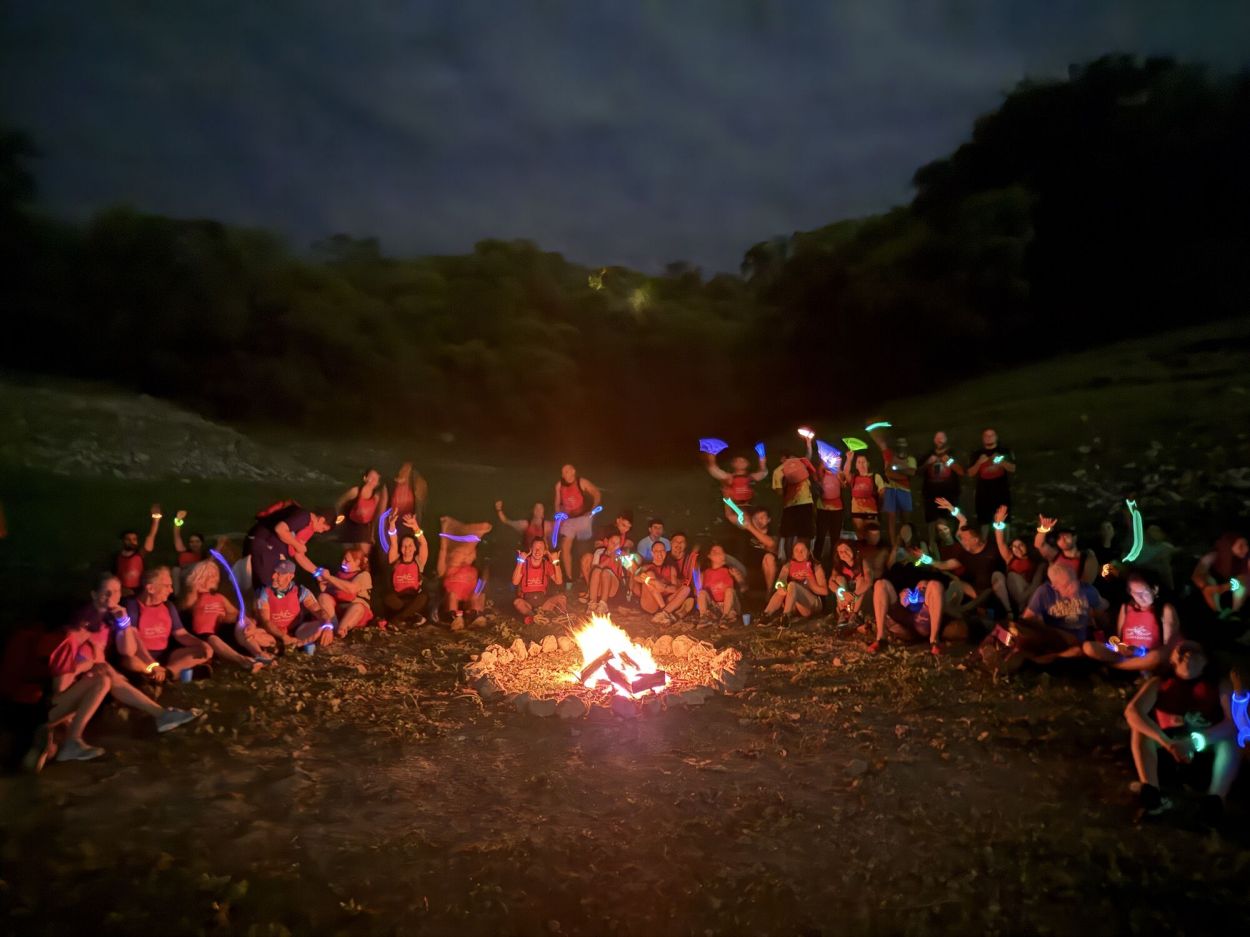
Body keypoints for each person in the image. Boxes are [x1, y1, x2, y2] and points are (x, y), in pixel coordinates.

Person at [1123, 641, 1240, 825]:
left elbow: (1233, 721)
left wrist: (1195, 742)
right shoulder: (1159, 683)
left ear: (1205, 661)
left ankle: (1215, 800)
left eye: (1193, 650)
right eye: (1182, 650)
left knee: (1230, 740)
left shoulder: (1219, 686)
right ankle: (1151, 793)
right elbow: (1132, 712)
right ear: (1171, 660)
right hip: (1168, 745)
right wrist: (1166, 742)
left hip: (1204, 747)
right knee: (1140, 728)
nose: (1186, 653)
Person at [115, 567, 213, 682]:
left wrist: (202, 644)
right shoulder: (132, 606)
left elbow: (181, 634)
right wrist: (153, 664)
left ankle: (166, 674)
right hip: (141, 657)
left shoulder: (168, 606)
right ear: (150, 588)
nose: (171, 590)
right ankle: (174, 675)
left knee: (201, 651)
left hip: (166, 656)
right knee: (130, 661)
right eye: (167, 586)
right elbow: (136, 640)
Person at [1003, 563, 1109, 666]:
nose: (1072, 587)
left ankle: (1047, 660)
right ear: (1054, 586)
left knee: (1081, 649)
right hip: (1055, 638)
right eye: (1066, 585)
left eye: (1073, 581)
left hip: (1078, 640)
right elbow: (1026, 620)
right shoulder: (1044, 593)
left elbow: (1102, 611)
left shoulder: (1088, 590)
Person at [179, 560, 275, 671]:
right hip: (205, 635)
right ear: (200, 577)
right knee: (212, 638)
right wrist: (194, 587)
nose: (214, 579)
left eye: (216, 575)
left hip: (222, 631)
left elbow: (236, 613)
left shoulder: (219, 597)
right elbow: (184, 607)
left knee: (242, 623)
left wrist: (248, 623)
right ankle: (243, 661)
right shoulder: (193, 596)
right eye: (210, 576)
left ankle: (259, 654)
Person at [930, 498, 1012, 619]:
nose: (961, 540)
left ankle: (1008, 612)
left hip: (994, 590)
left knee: (997, 578)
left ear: (976, 539)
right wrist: (924, 558)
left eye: (964, 538)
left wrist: (999, 524)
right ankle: (945, 611)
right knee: (955, 584)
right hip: (976, 592)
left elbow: (1001, 541)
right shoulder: (964, 555)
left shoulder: (992, 548)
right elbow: (943, 565)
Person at [1083, 572, 1178, 671]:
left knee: (1157, 656)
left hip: (1147, 659)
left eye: (1144, 592)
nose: (1140, 597)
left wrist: (1140, 652)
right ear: (1130, 592)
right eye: (1136, 593)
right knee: (1089, 647)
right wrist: (1118, 646)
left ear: (1154, 589)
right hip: (1123, 656)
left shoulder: (1165, 610)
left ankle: (1116, 668)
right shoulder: (1125, 608)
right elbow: (1118, 639)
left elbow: (1168, 650)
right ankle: (1119, 667)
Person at [243, 501, 333, 595]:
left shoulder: (308, 529)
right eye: (323, 528)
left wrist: (317, 573)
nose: (320, 532)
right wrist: (298, 545)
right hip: (263, 545)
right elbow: (280, 529)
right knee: (272, 590)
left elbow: (299, 556)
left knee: (266, 591)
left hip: (268, 550)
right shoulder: (304, 516)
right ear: (322, 519)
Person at [255, 560, 334, 649]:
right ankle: (301, 644)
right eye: (274, 572)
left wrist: (328, 625)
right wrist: (283, 637)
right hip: (274, 632)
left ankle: (301, 643)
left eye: (279, 574)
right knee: (254, 635)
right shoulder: (265, 593)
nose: (273, 576)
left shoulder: (301, 592)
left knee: (322, 626)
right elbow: (266, 621)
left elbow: (318, 611)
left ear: (290, 577)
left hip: (296, 630)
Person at [868, 573, 946, 655]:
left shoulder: (931, 599)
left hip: (922, 623)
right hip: (902, 619)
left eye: (924, 588)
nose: (920, 590)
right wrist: (902, 598)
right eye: (919, 588)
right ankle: (880, 638)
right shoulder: (906, 595)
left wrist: (923, 599)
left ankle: (934, 641)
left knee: (936, 584)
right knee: (880, 584)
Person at [315, 547, 375, 644]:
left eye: (347, 561)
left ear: (357, 562)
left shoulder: (364, 575)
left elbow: (351, 589)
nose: (343, 563)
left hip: (355, 610)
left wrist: (329, 578)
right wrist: (322, 582)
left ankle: (341, 630)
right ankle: (332, 627)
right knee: (323, 597)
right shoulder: (340, 573)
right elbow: (327, 592)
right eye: (343, 559)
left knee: (357, 607)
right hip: (338, 609)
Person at [702, 447, 768, 533]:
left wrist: (762, 459)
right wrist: (711, 456)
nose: (740, 462)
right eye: (738, 461)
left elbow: (763, 473)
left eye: (743, 460)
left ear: (748, 463)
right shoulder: (729, 477)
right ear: (732, 464)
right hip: (737, 507)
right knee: (743, 520)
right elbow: (714, 470)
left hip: (749, 507)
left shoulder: (751, 477)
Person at [760, 541, 828, 624]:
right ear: (793, 554)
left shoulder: (816, 567)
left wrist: (811, 581)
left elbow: (825, 591)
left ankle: (786, 616)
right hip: (794, 605)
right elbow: (780, 580)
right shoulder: (788, 566)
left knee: (792, 585)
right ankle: (766, 615)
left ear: (809, 553)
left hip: (811, 604)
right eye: (796, 550)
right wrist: (781, 585)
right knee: (782, 589)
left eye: (803, 550)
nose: (799, 553)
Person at [553, 464, 602, 576]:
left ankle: (583, 573)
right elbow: (557, 502)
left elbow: (597, 493)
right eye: (563, 472)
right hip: (569, 519)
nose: (564, 474)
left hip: (583, 517)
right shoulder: (559, 485)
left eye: (567, 471)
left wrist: (592, 510)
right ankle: (569, 577)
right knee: (564, 547)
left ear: (573, 471)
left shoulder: (581, 482)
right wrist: (558, 515)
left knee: (583, 549)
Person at [805, 438, 845, 574]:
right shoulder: (820, 473)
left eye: (835, 455)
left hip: (837, 508)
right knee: (820, 536)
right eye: (830, 454)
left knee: (835, 537)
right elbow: (817, 477)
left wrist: (837, 468)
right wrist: (823, 462)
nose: (832, 457)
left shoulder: (838, 473)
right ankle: (815, 562)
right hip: (823, 508)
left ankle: (835, 563)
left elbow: (844, 481)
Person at [919, 431, 964, 549]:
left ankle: (951, 546)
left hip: (950, 494)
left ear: (946, 439)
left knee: (949, 520)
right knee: (931, 521)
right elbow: (917, 472)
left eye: (942, 437)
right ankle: (932, 546)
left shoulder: (953, 453)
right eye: (937, 438)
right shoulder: (928, 454)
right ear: (934, 440)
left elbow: (962, 471)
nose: (940, 440)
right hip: (930, 494)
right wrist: (928, 463)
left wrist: (949, 461)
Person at [383, 514, 430, 625]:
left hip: (413, 599)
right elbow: (393, 542)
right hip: (398, 600)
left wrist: (416, 528)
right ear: (400, 548)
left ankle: (398, 619)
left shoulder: (419, 561)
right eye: (404, 546)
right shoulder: (395, 560)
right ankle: (411, 616)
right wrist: (392, 525)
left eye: (410, 545)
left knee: (424, 597)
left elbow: (423, 543)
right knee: (387, 597)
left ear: (414, 548)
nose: (407, 548)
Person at [967, 428, 1016, 533]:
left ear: (996, 437)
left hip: (1001, 491)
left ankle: (1005, 544)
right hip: (983, 492)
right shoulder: (976, 453)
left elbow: (1013, 468)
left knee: (1004, 519)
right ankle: (984, 543)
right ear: (983, 438)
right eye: (986, 435)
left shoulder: (1004, 451)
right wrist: (979, 462)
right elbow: (970, 473)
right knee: (984, 521)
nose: (989, 438)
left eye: (991, 435)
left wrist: (1002, 461)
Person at [873, 432, 917, 544]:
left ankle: (908, 543)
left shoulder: (910, 458)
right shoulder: (891, 455)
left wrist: (896, 469)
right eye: (899, 442)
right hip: (891, 490)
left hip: (905, 490)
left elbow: (912, 472)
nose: (901, 444)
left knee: (906, 519)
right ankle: (894, 545)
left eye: (903, 442)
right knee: (891, 520)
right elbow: (888, 472)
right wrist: (902, 471)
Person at [771, 451, 817, 558]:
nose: (793, 461)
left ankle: (806, 560)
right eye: (789, 458)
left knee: (805, 534)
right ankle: (789, 563)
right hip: (790, 506)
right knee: (789, 535)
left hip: (806, 504)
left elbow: (813, 476)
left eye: (795, 458)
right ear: (783, 459)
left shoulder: (802, 465)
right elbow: (779, 492)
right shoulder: (778, 471)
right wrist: (789, 482)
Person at [1191, 532, 1248, 618]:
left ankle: (1234, 613)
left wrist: (1227, 587)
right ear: (1230, 545)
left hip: (1230, 592)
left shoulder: (1244, 562)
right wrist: (1207, 587)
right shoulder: (1213, 556)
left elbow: (1242, 581)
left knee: (1241, 586)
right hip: (1211, 592)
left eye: (1247, 545)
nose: (1246, 549)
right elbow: (1197, 576)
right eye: (1241, 546)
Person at [512, 538, 566, 623]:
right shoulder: (524, 563)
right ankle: (534, 617)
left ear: (544, 551)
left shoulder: (546, 564)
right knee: (517, 602)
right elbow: (515, 581)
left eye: (540, 548)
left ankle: (562, 617)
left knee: (561, 598)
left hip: (543, 603)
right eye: (535, 548)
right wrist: (520, 561)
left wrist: (556, 562)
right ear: (531, 549)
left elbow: (558, 581)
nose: (537, 551)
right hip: (527, 603)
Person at [636, 541, 691, 625]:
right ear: (652, 553)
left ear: (665, 552)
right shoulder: (645, 567)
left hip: (666, 600)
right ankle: (664, 609)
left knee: (686, 589)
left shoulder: (671, 569)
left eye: (662, 551)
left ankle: (663, 613)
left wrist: (664, 587)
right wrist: (652, 581)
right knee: (650, 574)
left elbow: (675, 588)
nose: (659, 553)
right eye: (656, 551)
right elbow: (635, 576)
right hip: (650, 603)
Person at [113, 504, 163, 596]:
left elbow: (151, 537)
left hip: (138, 591)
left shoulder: (140, 554)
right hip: (120, 591)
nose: (131, 542)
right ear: (123, 541)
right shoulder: (117, 556)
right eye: (128, 539)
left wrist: (156, 520)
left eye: (134, 539)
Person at [1034, 515, 1099, 584]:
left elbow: (1086, 585)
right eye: (1059, 537)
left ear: (1074, 537)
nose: (1062, 539)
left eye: (1066, 535)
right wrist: (1043, 529)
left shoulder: (1087, 558)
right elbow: (1039, 544)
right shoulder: (1055, 555)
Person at [336, 468, 387, 551]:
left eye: (376, 479)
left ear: (377, 483)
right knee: (349, 555)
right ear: (365, 478)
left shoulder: (376, 498)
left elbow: (373, 518)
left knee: (364, 557)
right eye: (371, 477)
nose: (373, 480)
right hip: (349, 524)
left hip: (364, 527)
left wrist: (371, 535)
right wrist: (339, 519)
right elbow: (339, 503)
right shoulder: (355, 491)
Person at [696, 544, 744, 626]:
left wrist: (738, 577)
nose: (715, 552)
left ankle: (726, 617)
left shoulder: (730, 570)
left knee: (729, 590)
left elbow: (744, 587)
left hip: (730, 605)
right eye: (713, 551)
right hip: (715, 606)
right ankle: (704, 617)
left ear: (724, 558)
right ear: (709, 556)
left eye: (718, 552)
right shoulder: (705, 573)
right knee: (701, 593)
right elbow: (697, 592)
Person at [585, 532, 627, 616]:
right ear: (607, 542)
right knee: (597, 570)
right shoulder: (599, 552)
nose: (615, 546)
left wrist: (625, 558)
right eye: (612, 542)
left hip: (615, 590)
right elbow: (594, 570)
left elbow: (632, 569)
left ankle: (603, 604)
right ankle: (592, 603)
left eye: (617, 544)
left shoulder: (621, 555)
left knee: (606, 572)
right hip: (599, 589)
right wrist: (610, 558)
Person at [831, 541, 871, 623]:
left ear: (853, 549)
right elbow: (831, 583)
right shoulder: (838, 566)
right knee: (839, 579)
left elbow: (868, 581)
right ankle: (843, 612)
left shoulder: (862, 562)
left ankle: (854, 615)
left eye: (846, 550)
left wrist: (854, 595)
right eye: (841, 552)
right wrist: (843, 593)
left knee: (861, 580)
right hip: (845, 600)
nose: (844, 553)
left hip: (859, 597)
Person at [846, 454, 885, 537]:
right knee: (860, 536)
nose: (861, 464)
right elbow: (846, 474)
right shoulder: (854, 478)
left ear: (868, 463)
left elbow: (882, 494)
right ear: (856, 465)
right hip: (856, 512)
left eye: (863, 462)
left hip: (871, 512)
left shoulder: (876, 477)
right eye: (859, 462)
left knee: (873, 537)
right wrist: (849, 459)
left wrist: (880, 507)